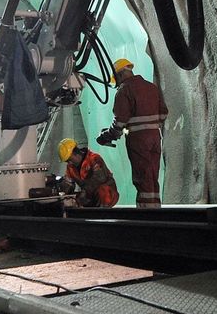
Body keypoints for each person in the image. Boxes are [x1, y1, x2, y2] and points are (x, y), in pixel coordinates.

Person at [98, 58, 168, 208]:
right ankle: (156, 209)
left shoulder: (124, 90)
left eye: (116, 78)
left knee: (142, 176)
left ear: (120, 74)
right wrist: (150, 125)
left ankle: (145, 212)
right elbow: (163, 113)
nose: (117, 82)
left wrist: (106, 136)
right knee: (152, 175)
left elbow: (120, 122)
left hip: (138, 139)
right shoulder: (151, 87)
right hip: (155, 137)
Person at [58, 138, 119, 207]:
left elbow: (99, 178)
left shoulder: (94, 158)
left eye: (69, 159)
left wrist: (84, 192)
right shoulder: (70, 167)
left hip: (107, 194)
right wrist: (64, 187)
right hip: (89, 195)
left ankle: (102, 211)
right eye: (66, 161)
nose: (69, 163)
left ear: (76, 153)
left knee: (103, 191)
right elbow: (69, 182)